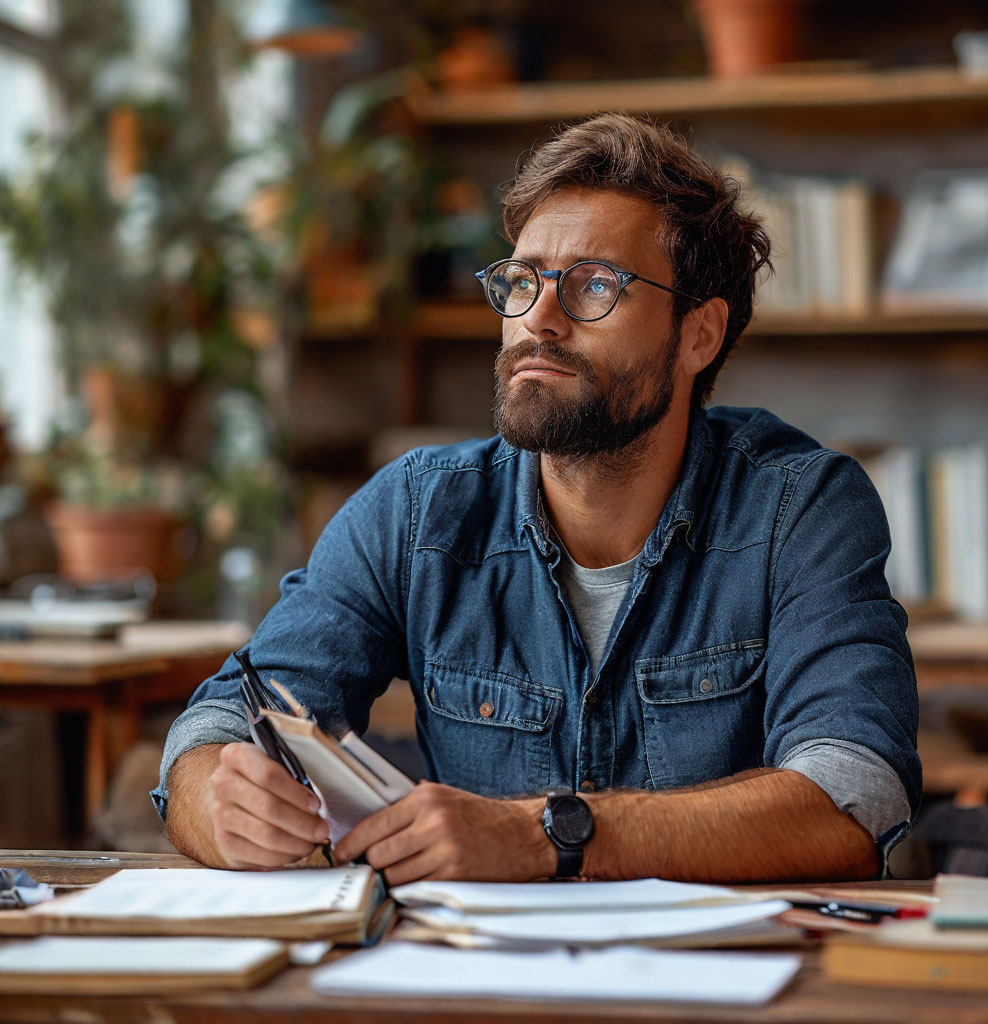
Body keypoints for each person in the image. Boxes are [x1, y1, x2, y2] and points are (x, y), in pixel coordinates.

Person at [155, 112, 920, 884]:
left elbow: (854, 796)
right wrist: (224, 803)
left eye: (594, 285)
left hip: (724, 987)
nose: (538, 321)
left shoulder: (802, 508)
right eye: (521, 282)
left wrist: (550, 835)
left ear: (698, 335)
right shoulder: (417, 511)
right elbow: (215, 729)